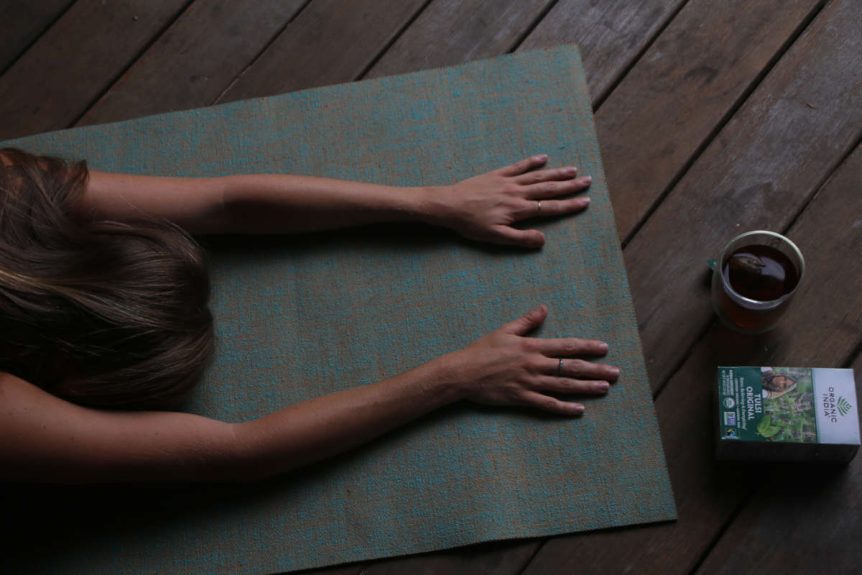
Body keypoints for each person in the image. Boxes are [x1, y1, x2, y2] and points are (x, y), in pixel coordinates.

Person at [0, 147, 619, 484]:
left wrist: (433, 203)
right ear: (71, 379)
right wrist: (454, 377)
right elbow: (237, 453)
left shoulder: (15, 195)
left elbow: (224, 204)